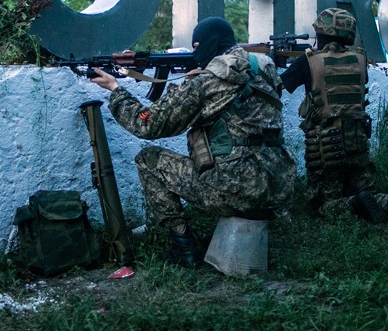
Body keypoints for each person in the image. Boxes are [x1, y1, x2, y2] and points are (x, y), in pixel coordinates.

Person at [90, 17, 297, 268]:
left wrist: (115, 90)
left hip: (237, 190)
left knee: (149, 158)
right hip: (278, 187)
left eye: (197, 47)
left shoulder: (207, 82)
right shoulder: (264, 67)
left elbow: (147, 123)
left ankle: (184, 247)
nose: (196, 53)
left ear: (209, 44)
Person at [280, 8, 388, 223]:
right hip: (357, 140)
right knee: (370, 191)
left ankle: (355, 203)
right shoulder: (359, 59)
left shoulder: (309, 62)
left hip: (325, 145)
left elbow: (279, 85)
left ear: (321, 34)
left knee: (321, 205)